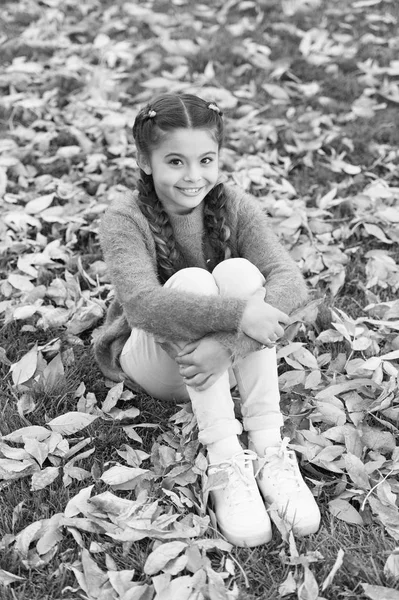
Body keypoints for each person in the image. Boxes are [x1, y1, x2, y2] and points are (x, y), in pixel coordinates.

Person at [94, 93, 321, 547]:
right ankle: (225, 458)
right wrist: (240, 316)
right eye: (175, 161)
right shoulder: (124, 218)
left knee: (240, 272)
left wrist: (229, 347)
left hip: (224, 363)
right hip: (159, 363)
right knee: (195, 280)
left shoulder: (232, 203)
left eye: (205, 160)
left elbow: (290, 282)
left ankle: (267, 445)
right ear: (145, 160)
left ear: (219, 158)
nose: (193, 176)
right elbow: (141, 305)